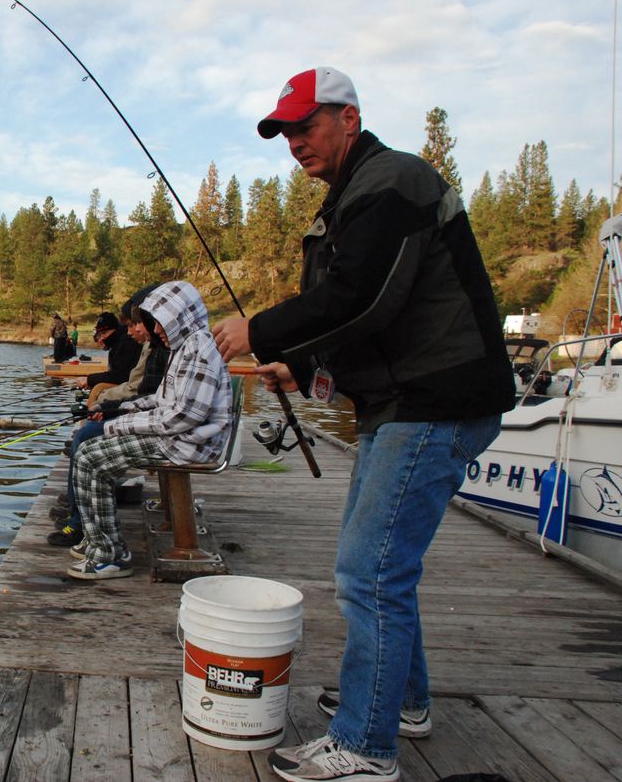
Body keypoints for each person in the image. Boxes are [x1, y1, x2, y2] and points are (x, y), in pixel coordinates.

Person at [213, 67, 514, 781]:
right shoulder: (357, 196)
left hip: (433, 401)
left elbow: (363, 297)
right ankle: (401, 702)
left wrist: (261, 329)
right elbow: (379, 318)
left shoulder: (390, 184)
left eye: (306, 126)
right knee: (383, 569)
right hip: (403, 400)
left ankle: (365, 745)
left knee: (369, 574)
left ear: (349, 118)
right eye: (285, 132)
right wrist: (306, 365)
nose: (294, 143)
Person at [68, 280, 230, 580]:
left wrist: (116, 425)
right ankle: (99, 541)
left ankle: (110, 555)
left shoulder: (199, 351)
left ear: (179, 316)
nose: (155, 330)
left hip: (188, 443)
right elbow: (162, 400)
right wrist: (121, 408)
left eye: (160, 323)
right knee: (89, 453)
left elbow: (180, 418)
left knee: (91, 458)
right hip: (179, 437)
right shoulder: (187, 347)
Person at [48, 285, 170, 548]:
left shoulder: (162, 348)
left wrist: (113, 410)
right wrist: (112, 408)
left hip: (164, 431)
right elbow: (150, 395)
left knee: (85, 437)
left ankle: (79, 521)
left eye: (137, 324)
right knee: (87, 430)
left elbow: (147, 395)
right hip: (148, 415)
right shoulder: (156, 346)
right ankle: (76, 509)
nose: (133, 331)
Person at [75, 311, 141, 403]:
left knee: (99, 388)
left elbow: (120, 376)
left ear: (115, 329)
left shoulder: (127, 342)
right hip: (126, 385)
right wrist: (92, 381)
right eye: (100, 335)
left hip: (132, 388)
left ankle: (90, 413)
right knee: (97, 387)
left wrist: (89, 379)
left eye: (104, 333)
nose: (102, 338)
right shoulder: (117, 343)